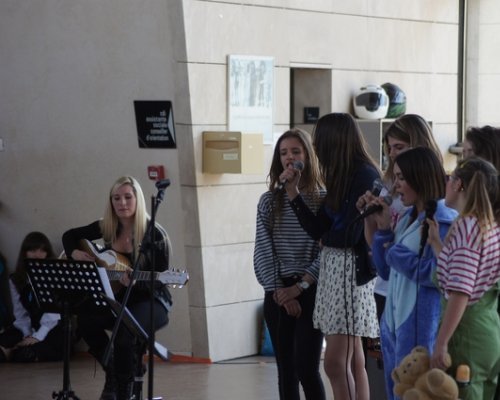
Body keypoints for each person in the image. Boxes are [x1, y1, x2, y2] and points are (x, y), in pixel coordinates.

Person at [283, 113, 380, 400]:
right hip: (334, 272)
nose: (316, 149)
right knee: (353, 361)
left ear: (334, 141)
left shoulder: (365, 174)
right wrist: (293, 193)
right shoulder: (340, 176)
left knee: (336, 363)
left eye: (319, 142)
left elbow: (352, 232)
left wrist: (328, 239)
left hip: (350, 272)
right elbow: (318, 229)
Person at [62, 176, 172, 400]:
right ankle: (112, 370)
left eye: (128, 197)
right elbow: (69, 236)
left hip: (152, 300)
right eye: (116, 198)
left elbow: (160, 279)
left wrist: (136, 282)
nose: (122, 203)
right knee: (86, 321)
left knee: (124, 332)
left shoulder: (154, 234)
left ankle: (124, 391)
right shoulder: (107, 227)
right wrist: (74, 253)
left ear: (138, 199)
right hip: (119, 297)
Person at [365, 147, 458, 399]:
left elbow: (438, 274)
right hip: (394, 322)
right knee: (396, 390)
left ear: (420, 178)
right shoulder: (407, 218)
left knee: (415, 392)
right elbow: (385, 270)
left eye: (401, 178)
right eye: (395, 177)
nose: (395, 185)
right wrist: (383, 229)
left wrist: (395, 252)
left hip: (419, 324)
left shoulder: (443, 221)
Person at [253, 128, 326, 400]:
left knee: (307, 368)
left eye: (296, 151)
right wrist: (280, 292)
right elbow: (263, 250)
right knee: (286, 371)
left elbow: (327, 251)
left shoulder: (322, 199)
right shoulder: (269, 201)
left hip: (311, 289)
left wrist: (301, 287)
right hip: (278, 292)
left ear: (308, 156)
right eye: (283, 153)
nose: (289, 158)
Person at [427, 157, 500, 399]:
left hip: (466, 335)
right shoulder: (487, 226)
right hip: (486, 331)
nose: (446, 183)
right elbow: (466, 273)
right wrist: (437, 244)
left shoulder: (467, 229)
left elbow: (461, 291)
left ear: (459, 185)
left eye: (450, 179)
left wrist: (441, 343)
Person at [0, 231, 64, 362]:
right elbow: (20, 314)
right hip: (30, 326)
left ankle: (17, 350)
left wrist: (37, 337)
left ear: (47, 253)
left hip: (51, 328)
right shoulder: (16, 279)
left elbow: (53, 315)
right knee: (5, 340)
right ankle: (15, 349)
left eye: (42, 251)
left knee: (28, 354)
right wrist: (27, 335)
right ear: (25, 253)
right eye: (33, 250)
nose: (38, 255)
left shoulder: (53, 275)